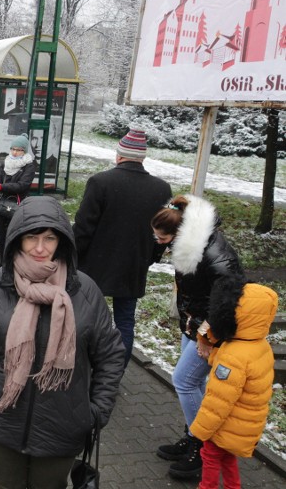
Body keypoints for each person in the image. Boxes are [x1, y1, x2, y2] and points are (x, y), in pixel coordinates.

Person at [0, 196, 126, 489]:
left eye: (49, 238)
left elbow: (110, 356)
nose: (41, 248)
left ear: (62, 241)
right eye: (31, 237)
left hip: (63, 428)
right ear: (17, 239)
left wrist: (95, 411)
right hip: (4, 419)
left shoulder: (85, 292)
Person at [150, 194, 246, 480]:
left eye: (161, 237)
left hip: (211, 329)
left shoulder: (215, 256)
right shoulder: (191, 244)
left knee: (184, 380)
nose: (157, 241)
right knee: (193, 383)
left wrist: (205, 336)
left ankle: (204, 449)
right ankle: (193, 437)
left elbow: (228, 303)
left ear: (179, 234)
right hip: (194, 324)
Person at [73, 128, 172, 367]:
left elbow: (84, 228)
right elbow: (163, 232)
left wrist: (72, 257)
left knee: (87, 317)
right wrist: (150, 257)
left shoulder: (100, 182)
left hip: (96, 265)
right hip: (133, 266)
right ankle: (114, 374)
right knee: (125, 322)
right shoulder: (161, 189)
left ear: (119, 155)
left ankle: (83, 367)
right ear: (142, 158)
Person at [189, 276, 277, 489]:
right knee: (228, 458)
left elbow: (218, 402)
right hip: (243, 423)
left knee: (209, 456)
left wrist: (200, 430)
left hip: (225, 424)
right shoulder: (258, 345)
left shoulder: (234, 355)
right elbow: (221, 359)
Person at [0, 135, 37, 266]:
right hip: (1, 205)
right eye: (13, 149)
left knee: (14, 239)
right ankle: (3, 266)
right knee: (1, 238)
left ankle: (14, 266)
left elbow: (22, 185)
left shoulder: (29, 166)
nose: (14, 152)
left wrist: (2, 186)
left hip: (17, 206)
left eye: (18, 150)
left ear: (24, 151)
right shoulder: (6, 161)